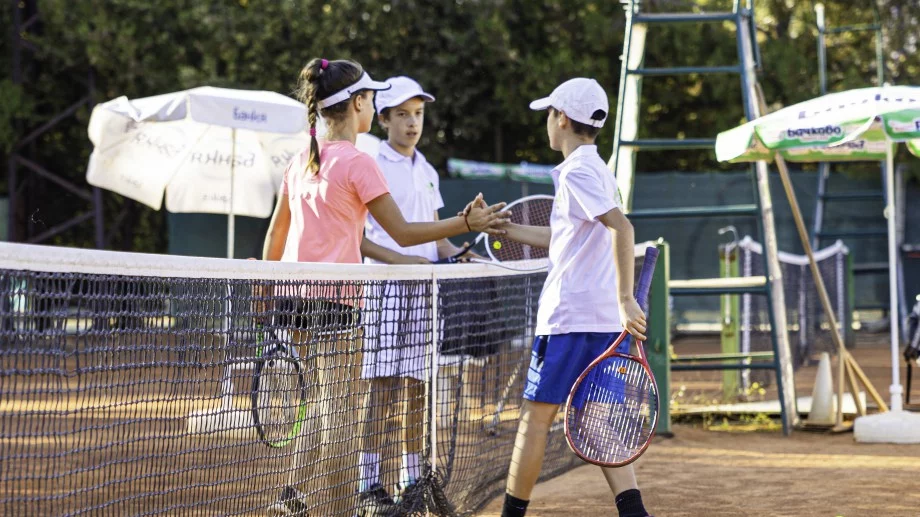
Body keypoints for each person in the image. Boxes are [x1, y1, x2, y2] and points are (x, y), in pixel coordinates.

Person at [261, 58, 508, 516]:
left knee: (318, 403)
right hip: (335, 305)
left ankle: (291, 498)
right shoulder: (358, 163)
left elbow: (277, 235)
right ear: (359, 105)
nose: (375, 108)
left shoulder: (301, 160)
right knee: (341, 421)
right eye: (373, 100)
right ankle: (338, 509)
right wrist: (467, 221)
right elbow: (404, 233)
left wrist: (264, 292)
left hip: (293, 302)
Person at [468, 78, 652, 517]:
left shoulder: (579, 171)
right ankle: (635, 513)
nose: (547, 123)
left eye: (549, 114)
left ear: (563, 119)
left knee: (534, 421)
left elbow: (621, 228)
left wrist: (626, 298)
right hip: (596, 318)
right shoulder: (593, 168)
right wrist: (503, 228)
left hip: (572, 319)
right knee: (594, 422)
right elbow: (564, 238)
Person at [355, 76, 476, 514]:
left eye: (419, 114)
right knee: (382, 386)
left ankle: (411, 480)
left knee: (418, 387)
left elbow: (438, 239)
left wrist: (460, 254)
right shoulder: (371, 162)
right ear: (383, 118)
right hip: (385, 289)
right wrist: (405, 264)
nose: (412, 123)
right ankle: (369, 483)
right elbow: (361, 238)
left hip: (427, 289)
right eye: (402, 114)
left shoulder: (426, 169)